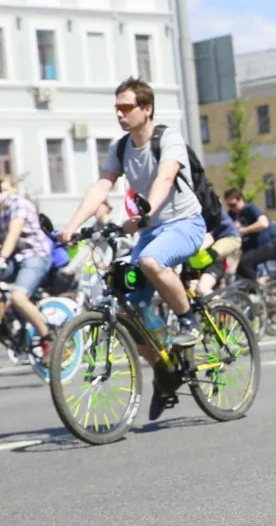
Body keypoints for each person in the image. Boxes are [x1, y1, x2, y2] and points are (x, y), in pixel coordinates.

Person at [60, 77, 207, 420]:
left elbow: (165, 178)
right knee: (125, 302)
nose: (120, 114)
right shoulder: (121, 147)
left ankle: (190, 320)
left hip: (185, 224)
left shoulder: (167, 137)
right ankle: (165, 369)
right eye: (117, 108)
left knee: (151, 262)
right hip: (150, 230)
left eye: (126, 108)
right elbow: (102, 186)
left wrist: (145, 211)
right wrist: (71, 225)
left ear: (146, 109)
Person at [0, 176, 55, 365]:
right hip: (16, 258)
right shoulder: (1, 211)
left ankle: (48, 339)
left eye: (3, 189)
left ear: (13, 188)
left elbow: (13, 233)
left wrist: (2, 257)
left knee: (18, 297)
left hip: (35, 256)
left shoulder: (18, 204)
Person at [223, 188, 276, 283]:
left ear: (241, 200)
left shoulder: (250, 209)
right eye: (229, 206)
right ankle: (247, 293)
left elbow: (264, 223)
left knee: (245, 262)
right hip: (247, 249)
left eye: (233, 205)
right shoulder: (231, 214)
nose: (232, 208)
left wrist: (244, 230)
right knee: (239, 274)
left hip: (263, 246)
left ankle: (257, 289)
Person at [187, 209, 242, 295]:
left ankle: (223, 306)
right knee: (190, 291)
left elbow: (209, 238)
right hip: (200, 264)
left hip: (227, 242)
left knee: (202, 289)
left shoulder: (205, 211)